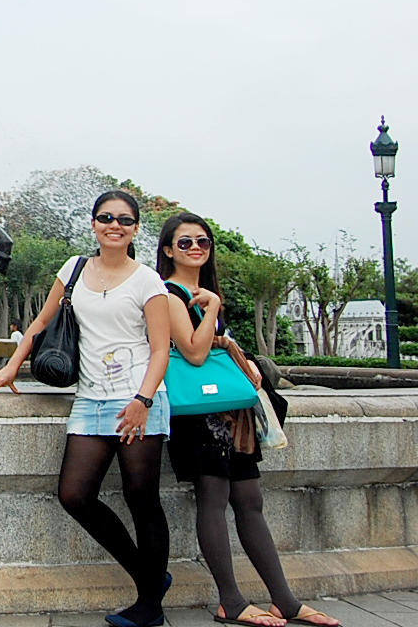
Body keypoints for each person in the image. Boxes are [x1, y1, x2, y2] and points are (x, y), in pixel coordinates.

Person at [0, 190, 173, 627]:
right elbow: (41, 322)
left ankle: (150, 606)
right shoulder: (73, 269)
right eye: (106, 217)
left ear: (135, 229)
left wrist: (143, 401)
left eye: (125, 220)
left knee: (141, 498)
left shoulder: (148, 281)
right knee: (74, 495)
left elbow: (161, 350)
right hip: (90, 397)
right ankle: (150, 577)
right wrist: (13, 366)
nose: (115, 225)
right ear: (93, 224)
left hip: (138, 397)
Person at [157, 213, 339, 627]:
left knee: (250, 501)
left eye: (202, 242)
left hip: (229, 414)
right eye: (185, 243)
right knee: (214, 499)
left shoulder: (202, 291)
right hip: (197, 415)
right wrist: (216, 310)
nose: (196, 248)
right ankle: (231, 601)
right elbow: (193, 352)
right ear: (168, 250)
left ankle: (285, 600)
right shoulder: (168, 294)